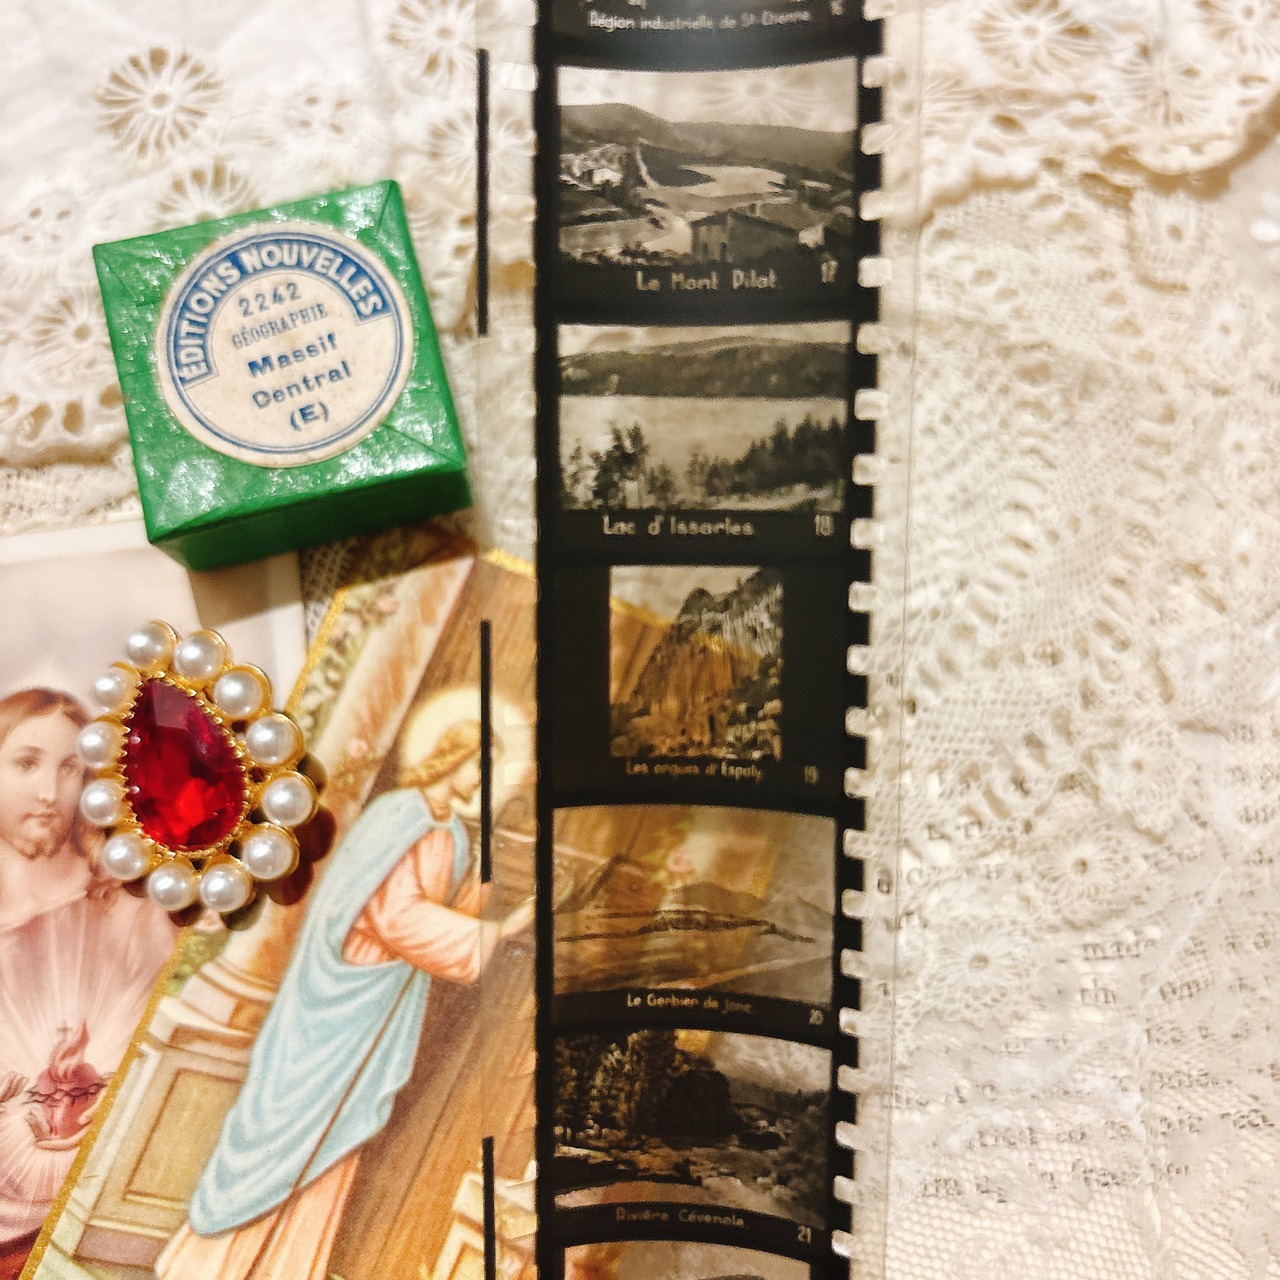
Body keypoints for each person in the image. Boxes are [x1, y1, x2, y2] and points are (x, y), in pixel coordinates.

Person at [156, 718, 534, 1280]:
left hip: (379, 1012)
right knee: (289, 1131)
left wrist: (483, 885)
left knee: (335, 1139)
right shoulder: (397, 815)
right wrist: (500, 932)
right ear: (450, 756)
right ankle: (210, 1268)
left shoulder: (453, 832)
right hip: (336, 1004)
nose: (484, 779)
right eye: (479, 765)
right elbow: (395, 919)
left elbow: (448, 918)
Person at [0, 689, 175, 1280]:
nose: (49, 792)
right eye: (26, 764)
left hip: (105, 1205)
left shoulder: (124, 903)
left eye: (69, 768)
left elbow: (162, 1026)